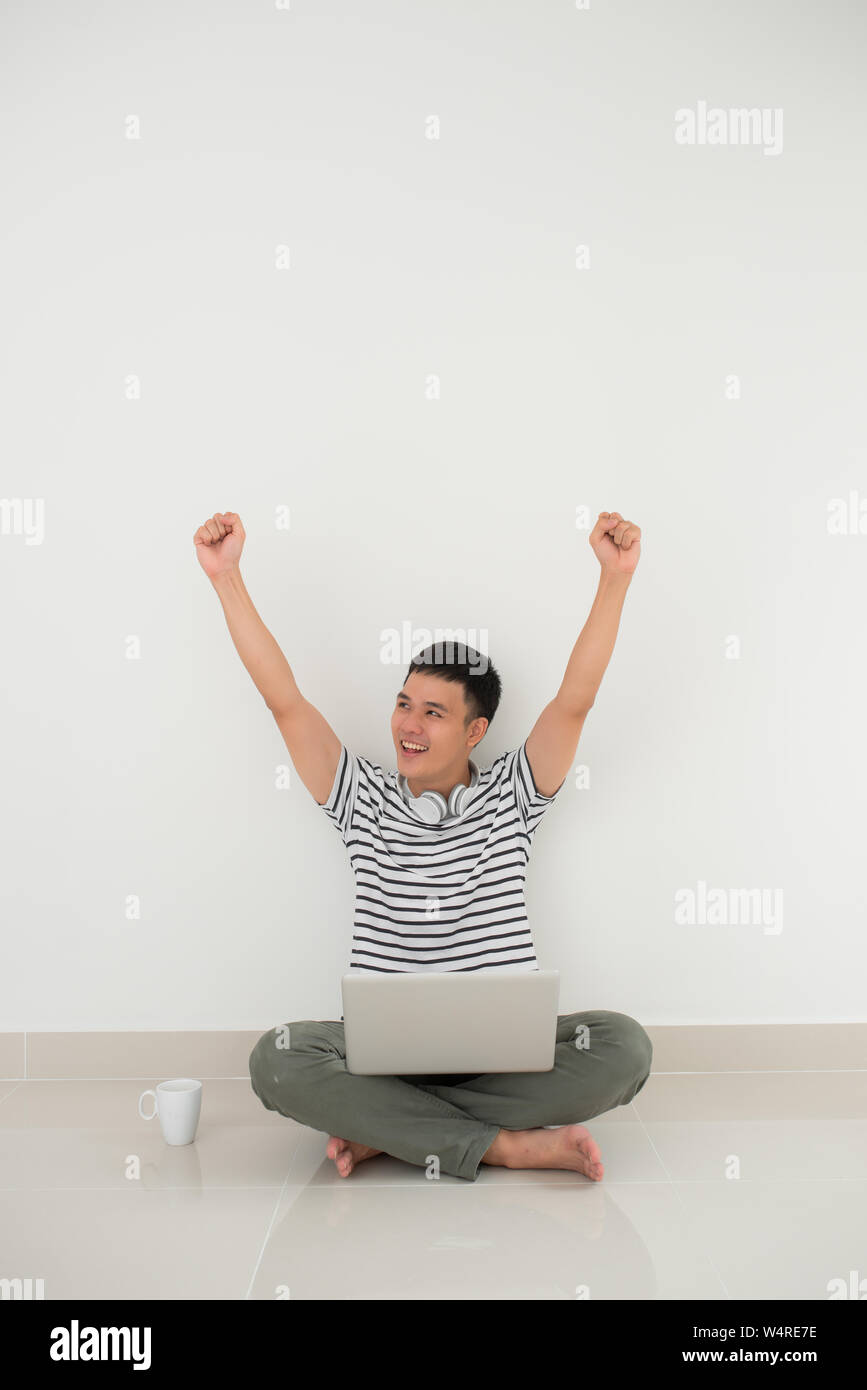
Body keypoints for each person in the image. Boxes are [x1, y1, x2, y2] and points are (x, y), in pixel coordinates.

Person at [193, 508, 652, 1182]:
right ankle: (499, 1145)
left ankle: (393, 1128)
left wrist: (614, 580)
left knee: (623, 1047)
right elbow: (283, 701)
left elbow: (574, 701)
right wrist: (227, 578)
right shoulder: (363, 799)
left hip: (503, 1057)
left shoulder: (511, 796)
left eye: (432, 713)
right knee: (276, 1058)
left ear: (474, 732)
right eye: (403, 703)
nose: (407, 725)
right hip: (385, 1055)